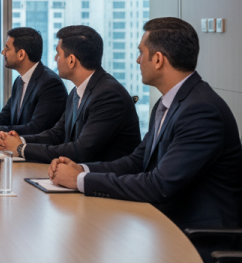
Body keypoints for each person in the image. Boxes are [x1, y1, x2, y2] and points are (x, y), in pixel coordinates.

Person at [49, 18, 242, 241]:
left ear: (158, 59)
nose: (138, 60)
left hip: (198, 237)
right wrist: (82, 169)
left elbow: (158, 185)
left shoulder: (201, 111)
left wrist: (80, 180)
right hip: (163, 223)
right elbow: (136, 162)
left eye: (141, 52)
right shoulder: (167, 104)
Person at [0, 25, 141, 163]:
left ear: (71, 60)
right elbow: (57, 134)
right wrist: (20, 141)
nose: (55, 59)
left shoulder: (109, 95)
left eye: (58, 53)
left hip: (101, 182)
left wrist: (21, 149)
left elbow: (81, 150)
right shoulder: (77, 91)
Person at [0, 27, 66, 139]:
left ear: (21, 54)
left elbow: (36, 129)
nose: (3, 52)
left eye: (7, 48)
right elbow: (5, 117)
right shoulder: (20, 80)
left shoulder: (51, 84)